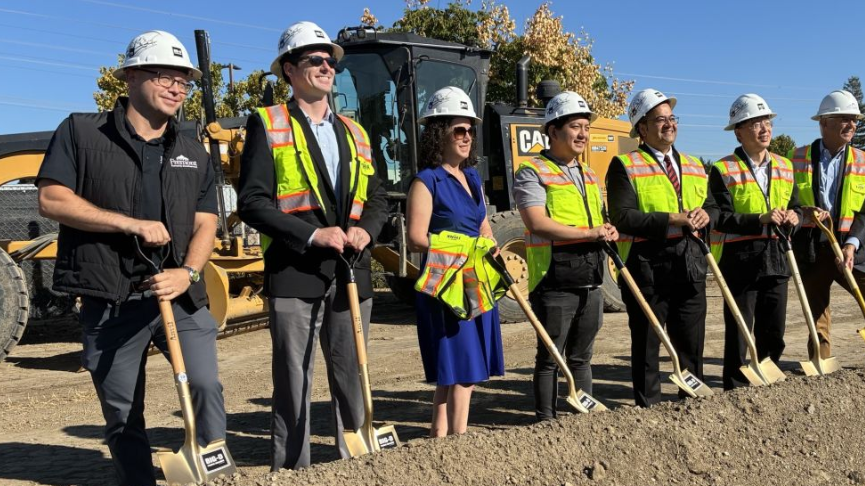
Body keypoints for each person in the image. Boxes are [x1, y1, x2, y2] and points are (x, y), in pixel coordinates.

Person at [36, 30, 225, 485]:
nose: (178, 87)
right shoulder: (81, 132)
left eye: (184, 80)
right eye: (166, 75)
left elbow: (207, 221)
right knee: (122, 413)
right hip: (111, 300)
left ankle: (209, 471)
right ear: (132, 76)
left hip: (179, 295)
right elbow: (52, 200)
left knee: (205, 387)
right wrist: (129, 223)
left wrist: (188, 271)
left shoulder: (192, 149)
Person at [237, 21, 388, 470]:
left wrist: (369, 231)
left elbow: (376, 198)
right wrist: (311, 234)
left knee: (352, 375)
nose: (327, 67)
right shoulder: (268, 123)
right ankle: (291, 471)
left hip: (351, 270)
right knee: (292, 380)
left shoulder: (356, 133)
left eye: (330, 62)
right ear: (289, 69)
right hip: (294, 269)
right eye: (315, 60)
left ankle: (356, 463)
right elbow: (252, 202)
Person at [606, 89, 717, 406]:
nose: (669, 124)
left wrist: (706, 213)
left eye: (672, 118)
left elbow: (710, 205)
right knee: (647, 343)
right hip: (648, 264)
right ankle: (648, 409)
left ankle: (692, 401)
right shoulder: (624, 165)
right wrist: (674, 218)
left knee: (691, 342)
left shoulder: (695, 165)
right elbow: (624, 217)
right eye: (660, 120)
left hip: (691, 261)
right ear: (642, 128)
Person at [513, 91, 618, 420]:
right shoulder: (532, 171)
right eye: (575, 126)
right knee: (550, 358)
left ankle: (581, 422)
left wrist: (606, 229)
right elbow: (537, 222)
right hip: (554, 280)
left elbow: (596, 219)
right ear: (553, 131)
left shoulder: (588, 174)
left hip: (590, 278)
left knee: (582, 358)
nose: (583, 134)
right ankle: (546, 425)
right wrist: (589, 233)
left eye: (586, 127)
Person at [406, 86, 504, 436]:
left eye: (470, 130)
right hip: (445, 287)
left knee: (464, 373)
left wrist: (490, 244)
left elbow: (482, 223)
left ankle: (440, 441)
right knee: (460, 370)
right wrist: (462, 247)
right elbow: (416, 237)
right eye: (458, 130)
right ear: (438, 133)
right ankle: (457, 443)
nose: (466, 137)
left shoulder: (473, 178)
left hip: (474, 284)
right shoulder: (426, 181)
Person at [789, 90, 865, 367]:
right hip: (812, 248)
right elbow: (786, 201)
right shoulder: (795, 158)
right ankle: (820, 371)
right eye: (844, 119)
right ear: (824, 122)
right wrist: (803, 211)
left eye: (855, 120)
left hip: (851, 252)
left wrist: (852, 244)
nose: (852, 125)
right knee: (817, 320)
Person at [708, 94, 800, 389]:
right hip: (740, 260)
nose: (765, 129)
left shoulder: (786, 166)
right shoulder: (723, 169)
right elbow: (720, 217)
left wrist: (795, 216)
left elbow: (796, 204)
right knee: (739, 333)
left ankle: (768, 385)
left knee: (774, 331)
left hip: (777, 256)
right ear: (738, 131)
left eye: (767, 122)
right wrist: (759, 218)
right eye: (755, 123)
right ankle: (734, 391)